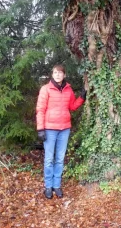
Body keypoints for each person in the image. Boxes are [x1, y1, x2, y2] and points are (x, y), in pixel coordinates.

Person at [36, 64, 86, 199]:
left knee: (59, 159)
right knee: (48, 159)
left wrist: (81, 98)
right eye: (55, 72)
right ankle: (48, 186)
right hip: (50, 129)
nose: (58, 75)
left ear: (64, 75)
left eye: (60, 73)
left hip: (64, 129)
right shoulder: (45, 89)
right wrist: (40, 129)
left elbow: (72, 106)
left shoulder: (68, 90)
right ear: (52, 75)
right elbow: (40, 109)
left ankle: (56, 185)